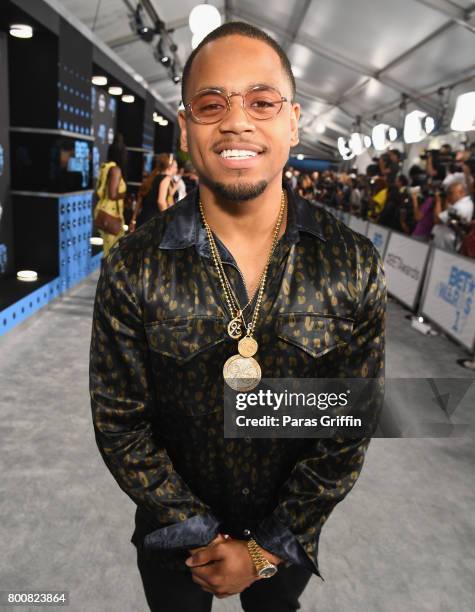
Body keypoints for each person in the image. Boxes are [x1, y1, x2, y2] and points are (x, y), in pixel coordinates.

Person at [89, 21, 386, 612]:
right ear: (186, 126)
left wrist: (267, 549)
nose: (237, 122)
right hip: (174, 543)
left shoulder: (350, 262)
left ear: (293, 120)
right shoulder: (134, 265)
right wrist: (198, 533)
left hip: (288, 538)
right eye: (211, 103)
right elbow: (121, 422)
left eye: (261, 101)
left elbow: (347, 423)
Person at [93, 137, 127, 258]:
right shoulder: (115, 169)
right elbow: (113, 195)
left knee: (108, 250)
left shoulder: (106, 167)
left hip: (103, 209)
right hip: (110, 213)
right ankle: (107, 276)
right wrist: (124, 195)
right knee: (110, 252)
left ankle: (107, 275)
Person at [130, 153, 174, 230]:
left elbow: (139, 200)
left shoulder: (151, 178)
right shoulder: (165, 179)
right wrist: (168, 219)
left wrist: (133, 219)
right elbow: (161, 201)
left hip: (142, 218)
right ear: (169, 166)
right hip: (154, 220)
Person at [432, 181, 474, 251]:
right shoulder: (467, 203)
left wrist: (438, 201)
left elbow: (437, 220)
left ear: (461, 192)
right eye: (448, 193)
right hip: (445, 243)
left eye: (451, 193)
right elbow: (447, 213)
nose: (448, 196)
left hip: (446, 245)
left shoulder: (460, 206)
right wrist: (447, 201)